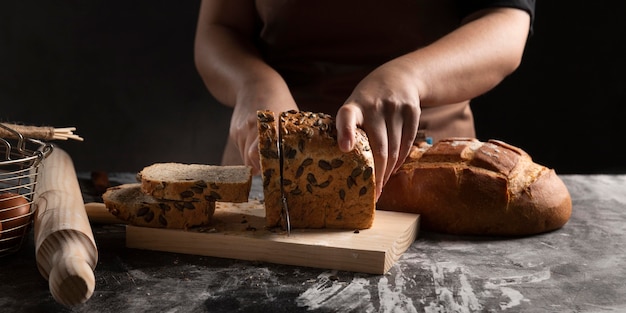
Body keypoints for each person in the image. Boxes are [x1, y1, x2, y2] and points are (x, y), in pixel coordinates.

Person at [194, 0, 535, 199]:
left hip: (423, 169)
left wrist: (409, 77)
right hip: (266, 159)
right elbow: (219, 28)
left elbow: (506, 21)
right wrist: (252, 81)